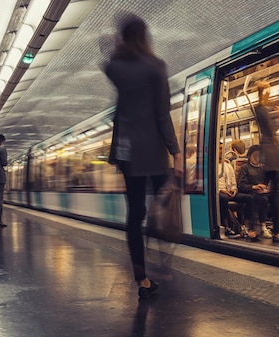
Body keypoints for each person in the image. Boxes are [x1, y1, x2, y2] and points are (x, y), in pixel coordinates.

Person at [104, 14, 182, 298]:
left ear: (124, 37)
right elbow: (163, 113)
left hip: (126, 151)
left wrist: (115, 46)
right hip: (153, 149)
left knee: (134, 215)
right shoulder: (156, 66)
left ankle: (142, 278)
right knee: (161, 207)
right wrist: (176, 152)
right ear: (145, 36)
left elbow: (107, 57)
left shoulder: (115, 67)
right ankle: (163, 261)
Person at [252, 81, 279, 242]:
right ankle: (275, 230)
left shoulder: (262, 109)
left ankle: (258, 228)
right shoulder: (262, 109)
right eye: (268, 91)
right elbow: (271, 129)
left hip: (271, 154)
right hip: (272, 154)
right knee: (274, 193)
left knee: (269, 192)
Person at [217, 144, 256, 239]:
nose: (221, 151)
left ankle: (246, 227)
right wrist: (221, 190)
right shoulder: (211, 167)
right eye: (219, 149)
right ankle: (227, 227)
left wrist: (234, 189)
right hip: (219, 192)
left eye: (222, 149)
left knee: (250, 198)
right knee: (223, 198)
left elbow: (233, 180)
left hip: (229, 191)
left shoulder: (227, 166)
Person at [237, 145, 275, 241]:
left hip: (262, 191)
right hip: (251, 192)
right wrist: (254, 187)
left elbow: (267, 182)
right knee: (263, 199)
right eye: (255, 155)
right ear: (249, 156)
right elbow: (241, 185)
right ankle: (263, 226)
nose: (258, 157)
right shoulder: (244, 168)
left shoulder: (263, 168)